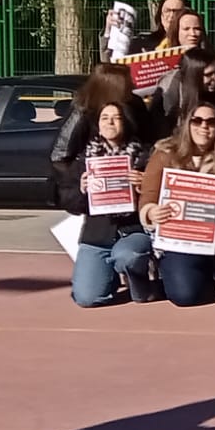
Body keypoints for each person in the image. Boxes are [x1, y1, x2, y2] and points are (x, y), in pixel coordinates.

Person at [138, 102, 215, 306]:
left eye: (211, 122)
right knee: (185, 296)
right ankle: (179, 271)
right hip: (179, 237)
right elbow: (148, 195)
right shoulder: (165, 153)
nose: (204, 127)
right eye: (197, 121)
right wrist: (152, 212)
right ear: (187, 124)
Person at [56, 99, 159, 307]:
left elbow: (161, 196)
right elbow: (69, 203)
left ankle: (139, 282)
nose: (110, 122)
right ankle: (107, 277)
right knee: (87, 298)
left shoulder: (146, 155)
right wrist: (82, 190)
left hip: (133, 230)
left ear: (126, 123)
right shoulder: (84, 160)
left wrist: (144, 187)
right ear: (98, 125)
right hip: (97, 234)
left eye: (116, 118)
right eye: (105, 118)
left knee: (128, 256)